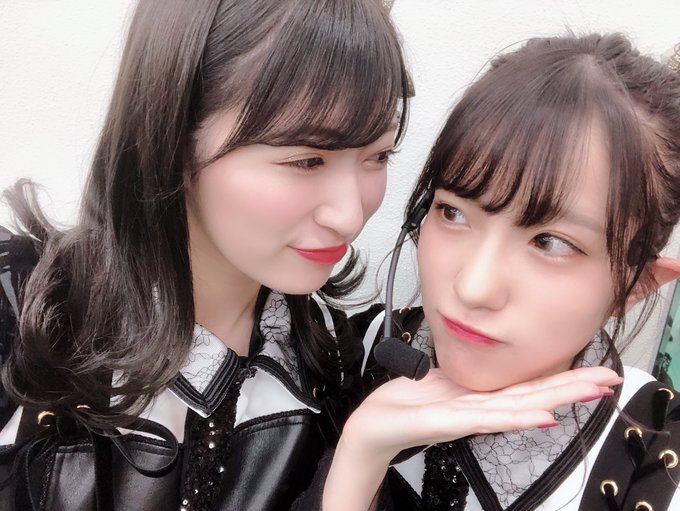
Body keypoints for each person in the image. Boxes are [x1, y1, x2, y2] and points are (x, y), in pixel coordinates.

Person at [0, 0, 412, 509]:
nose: (350, 216)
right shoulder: (22, 315)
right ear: (172, 136)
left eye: (379, 155)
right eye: (307, 160)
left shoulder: (335, 362)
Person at [322, 33, 680, 510]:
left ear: (634, 286)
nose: (474, 287)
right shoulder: (361, 351)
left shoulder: (654, 463)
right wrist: (358, 458)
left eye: (551, 243)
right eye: (453, 212)